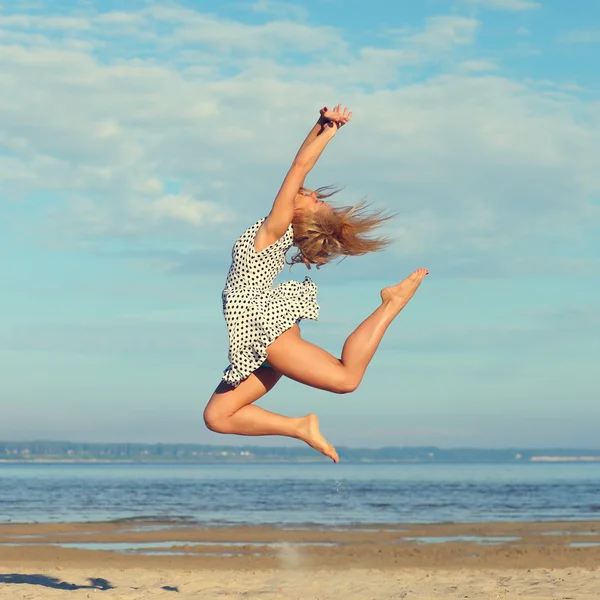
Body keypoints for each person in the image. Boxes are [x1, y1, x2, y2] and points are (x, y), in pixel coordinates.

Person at [203, 105, 428, 463]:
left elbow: (299, 166)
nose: (311, 193)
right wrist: (322, 125)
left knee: (346, 379)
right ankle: (299, 427)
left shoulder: (276, 227)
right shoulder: (273, 227)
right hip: (255, 335)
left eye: (316, 200)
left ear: (299, 215)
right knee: (217, 416)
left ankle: (391, 303)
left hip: (264, 326)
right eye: (315, 195)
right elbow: (298, 169)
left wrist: (330, 132)